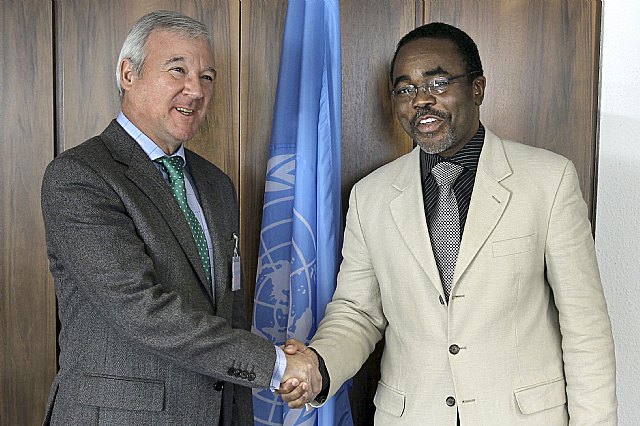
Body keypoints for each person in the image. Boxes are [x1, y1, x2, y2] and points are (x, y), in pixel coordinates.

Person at [279, 22, 618, 424]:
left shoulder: (548, 180)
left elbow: (585, 330)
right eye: (405, 89)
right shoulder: (370, 195)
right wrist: (319, 364)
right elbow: (357, 311)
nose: (421, 100)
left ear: (477, 88)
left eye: (437, 83)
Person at [40, 10, 318, 425]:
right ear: (128, 74)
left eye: (207, 77)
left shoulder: (215, 184)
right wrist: (277, 366)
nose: (195, 89)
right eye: (178, 70)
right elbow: (141, 310)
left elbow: (229, 310)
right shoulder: (81, 176)